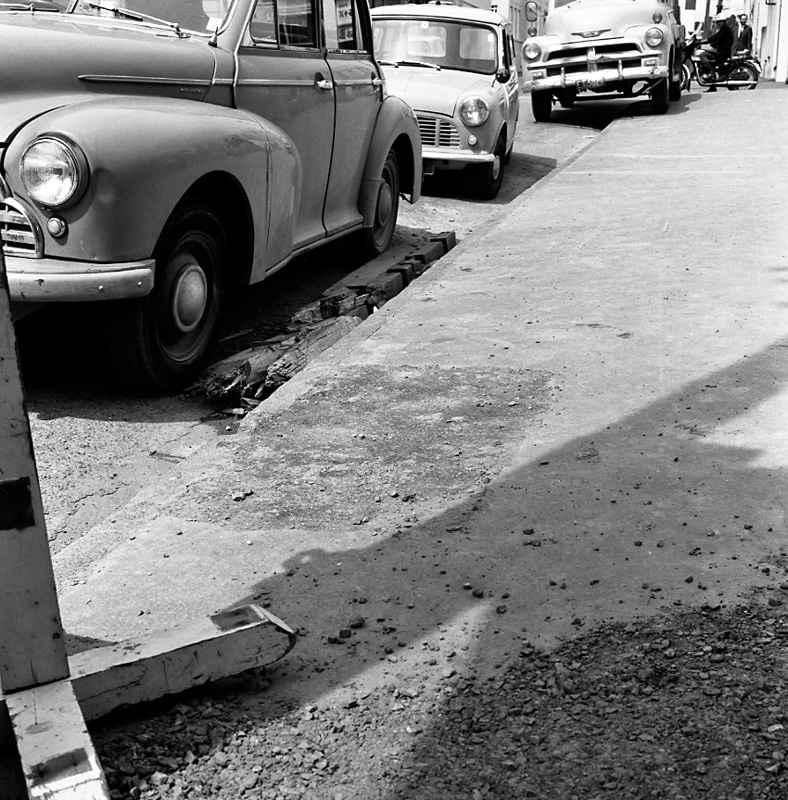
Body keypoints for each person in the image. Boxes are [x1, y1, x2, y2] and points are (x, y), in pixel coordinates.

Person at [698, 14, 735, 91]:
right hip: (722, 50)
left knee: (703, 55)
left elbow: (716, 37)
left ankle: (711, 72)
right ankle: (712, 86)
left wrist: (704, 41)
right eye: (717, 22)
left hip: (722, 52)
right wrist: (711, 44)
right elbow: (719, 41)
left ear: (722, 22)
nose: (717, 24)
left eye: (719, 22)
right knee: (708, 56)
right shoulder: (725, 29)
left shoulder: (724, 29)